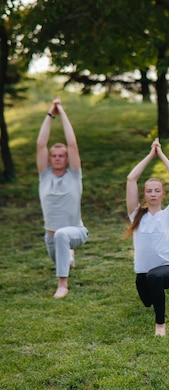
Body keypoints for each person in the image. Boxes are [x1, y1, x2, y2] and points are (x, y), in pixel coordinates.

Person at [126, 138, 169, 336]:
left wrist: (161, 155)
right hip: (143, 272)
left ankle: (160, 325)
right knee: (147, 300)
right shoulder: (136, 214)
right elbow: (131, 179)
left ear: (162, 194)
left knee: (155, 277)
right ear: (144, 194)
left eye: (157, 191)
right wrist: (150, 155)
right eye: (149, 191)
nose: (153, 194)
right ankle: (154, 293)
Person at [36, 97, 89, 299]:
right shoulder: (45, 175)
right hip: (50, 236)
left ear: (67, 159)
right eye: (54, 155)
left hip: (77, 231)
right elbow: (41, 144)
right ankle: (68, 256)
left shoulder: (74, 175)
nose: (57, 158)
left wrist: (62, 112)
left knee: (62, 236)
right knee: (57, 248)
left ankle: (62, 285)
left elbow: (72, 143)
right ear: (50, 159)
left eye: (62, 155)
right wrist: (50, 113)